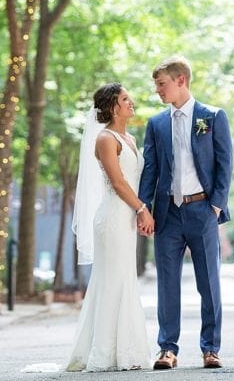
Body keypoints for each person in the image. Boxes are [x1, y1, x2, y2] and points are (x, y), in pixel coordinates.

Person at [138, 55, 232, 369]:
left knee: (209, 283)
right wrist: (143, 208)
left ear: (181, 81)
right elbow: (150, 169)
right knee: (167, 284)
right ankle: (167, 349)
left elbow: (224, 164)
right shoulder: (156, 123)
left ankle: (210, 348)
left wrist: (215, 205)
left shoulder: (213, 116)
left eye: (162, 84)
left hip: (202, 209)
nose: (158, 91)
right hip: (167, 213)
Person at [66, 83, 153, 372]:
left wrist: (139, 211)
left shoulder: (129, 138)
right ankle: (104, 353)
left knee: (124, 280)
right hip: (114, 218)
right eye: (125, 99)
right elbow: (118, 183)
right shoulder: (105, 139)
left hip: (127, 217)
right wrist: (142, 209)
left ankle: (125, 350)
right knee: (112, 281)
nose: (132, 103)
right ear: (113, 106)